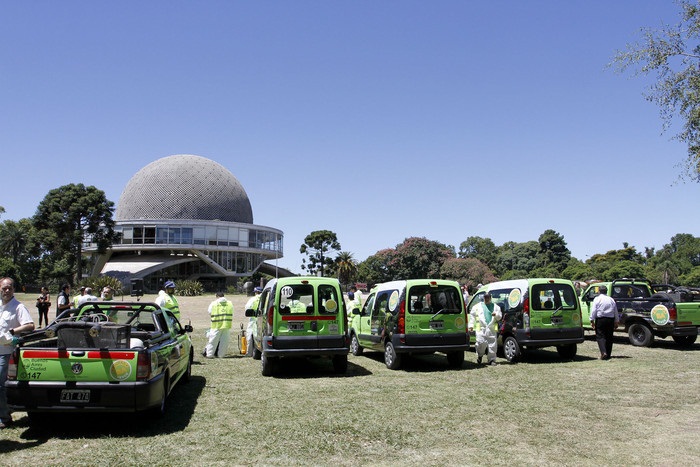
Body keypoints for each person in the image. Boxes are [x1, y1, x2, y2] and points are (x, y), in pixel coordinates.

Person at [0, 277, 35, 428]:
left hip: (6, 352)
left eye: (9, 288)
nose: (7, 290)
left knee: (0, 385)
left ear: (14, 289)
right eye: (4, 288)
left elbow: (30, 325)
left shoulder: (18, 307)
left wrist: (13, 331)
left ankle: (4, 417)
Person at [469, 292, 502, 366]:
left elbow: (500, 317)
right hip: (481, 328)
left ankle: (492, 359)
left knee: (492, 345)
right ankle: (480, 355)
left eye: (488, 297)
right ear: (483, 298)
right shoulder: (477, 306)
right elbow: (472, 316)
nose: (486, 299)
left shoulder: (496, 307)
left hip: (491, 328)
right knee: (480, 343)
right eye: (485, 297)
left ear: (490, 298)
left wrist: (496, 315)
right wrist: (471, 325)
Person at [590, 285, 619, 360]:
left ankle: (603, 352)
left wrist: (592, 320)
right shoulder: (611, 299)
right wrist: (616, 321)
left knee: (600, 336)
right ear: (606, 291)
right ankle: (608, 354)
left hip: (601, 319)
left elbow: (594, 310)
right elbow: (615, 310)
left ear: (599, 291)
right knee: (609, 337)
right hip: (610, 319)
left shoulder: (597, 299)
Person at [205, 292, 234, 358]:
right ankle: (221, 355)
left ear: (217, 296)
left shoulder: (214, 303)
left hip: (216, 325)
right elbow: (232, 311)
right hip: (226, 325)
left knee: (213, 341)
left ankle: (209, 354)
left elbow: (209, 312)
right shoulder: (230, 303)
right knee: (224, 342)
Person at [244, 287, 262, 356]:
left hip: (253, 320)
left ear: (256, 292)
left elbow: (247, 308)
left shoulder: (253, 299)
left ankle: (249, 353)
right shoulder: (265, 298)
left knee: (250, 336)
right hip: (262, 320)